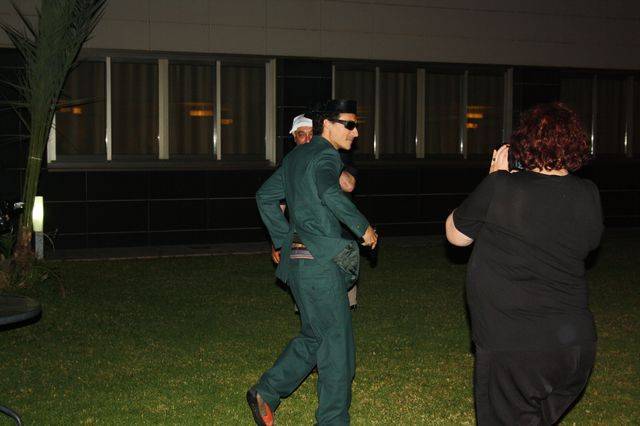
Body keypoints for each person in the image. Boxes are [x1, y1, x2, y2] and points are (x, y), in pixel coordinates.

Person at [445, 102, 603, 425]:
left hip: (514, 349)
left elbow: (456, 236)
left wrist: (494, 179)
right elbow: (589, 242)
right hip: (574, 350)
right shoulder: (588, 192)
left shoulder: (501, 186)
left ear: (525, 143)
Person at [248, 99, 378, 425]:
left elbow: (264, 196)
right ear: (328, 125)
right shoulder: (325, 155)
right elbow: (330, 193)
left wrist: (283, 239)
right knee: (337, 348)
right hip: (320, 264)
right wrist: (363, 228)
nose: (355, 132)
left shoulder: (296, 157)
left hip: (298, 262)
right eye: (349, 125)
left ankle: (267, 391)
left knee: (315, 335)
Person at [273, 113, 360, 310]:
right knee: (310, 304)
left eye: (311, 134)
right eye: (301, 134)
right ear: (294, 137)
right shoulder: (290, 163)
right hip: (303, 239)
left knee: (340, 304)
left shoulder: (333, 156)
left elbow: (349, 185)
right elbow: (278, 202)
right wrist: (277, 241)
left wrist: (325, 164)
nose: (307, 139)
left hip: (336, 238)